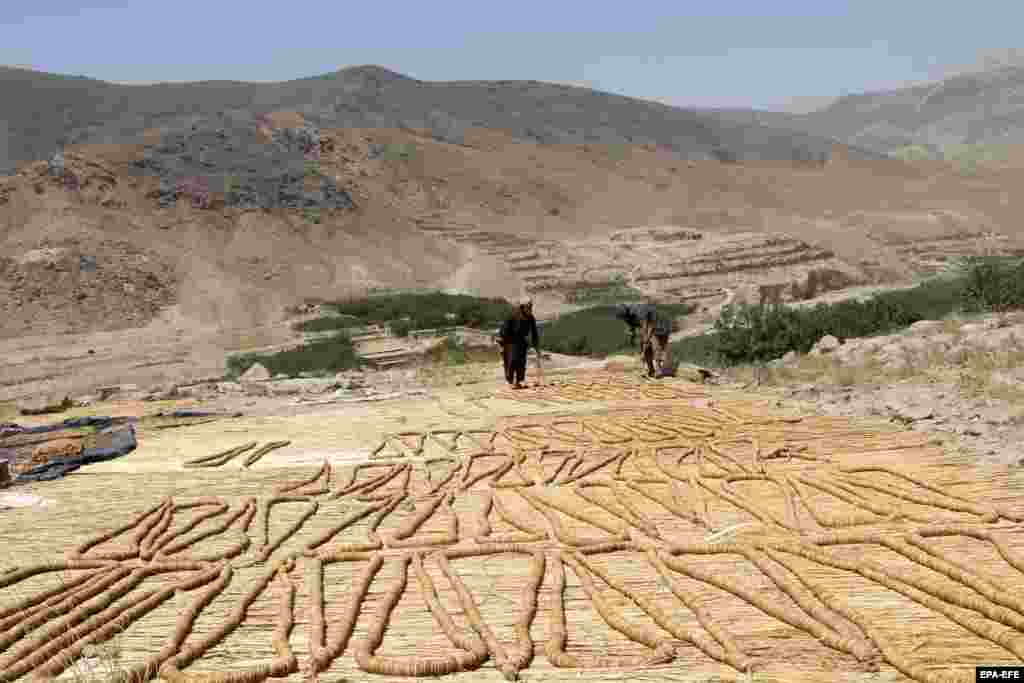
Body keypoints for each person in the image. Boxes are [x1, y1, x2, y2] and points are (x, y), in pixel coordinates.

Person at [615, 304, 672, 378]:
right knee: (646, 348)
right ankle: (651, 370)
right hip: (649, 326)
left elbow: (648, 327)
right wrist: (632, 336)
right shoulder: (627, 316)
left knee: (655, 346)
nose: (623, 318)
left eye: (623, 317)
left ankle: (659, 370)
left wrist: (646, 340)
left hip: (659, 324)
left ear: (626, 312)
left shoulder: (639, 311)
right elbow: (632, 327)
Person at [497, 299, 540, 389]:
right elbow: (504, 329)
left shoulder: (530, 317)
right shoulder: (513, 315)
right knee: (512, 361)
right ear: (523, 307)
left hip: (521, 341)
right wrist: (501, 344)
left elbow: (534, 332)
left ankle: (519, 381)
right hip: (509, 341)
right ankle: (510, 381)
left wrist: (536, 346)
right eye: (528, 307)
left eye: (531, 306)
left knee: (521, 362)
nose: (530, 309)